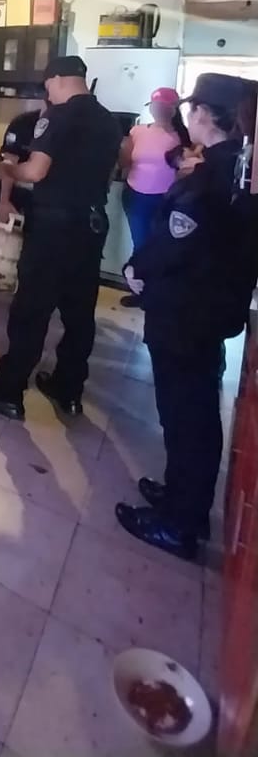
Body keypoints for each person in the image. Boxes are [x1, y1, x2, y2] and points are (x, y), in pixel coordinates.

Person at [115, 73, 257, 561]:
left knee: (185, 414)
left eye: (194, 110)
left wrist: (137, 268)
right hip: (208, 308)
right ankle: (182, 497)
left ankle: (179, 523)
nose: (189, 117)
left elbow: (178, 239)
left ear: (207, 116)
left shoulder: (212, 176)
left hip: (185, 310)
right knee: (192, 411)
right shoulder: (238, 165)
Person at [0, 56, 122, 420]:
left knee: (31, 311)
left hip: (54, 228)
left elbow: (35, 171)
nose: (48, 93)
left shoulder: (58, 115)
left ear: (57, 79)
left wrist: (7, 169)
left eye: (48, 85)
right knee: (79, 313)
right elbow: (114, 168)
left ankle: (7, 392)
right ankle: (69, 389)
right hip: (91, 226)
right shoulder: (108, 120)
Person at [119, 87, 190, 306]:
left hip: (166, 199)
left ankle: (156, 292)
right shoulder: (137, 131)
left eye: (164, 106)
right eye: (155, 106)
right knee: (141, 244)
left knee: (161, 246)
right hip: (136, 196)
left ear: (174, 109)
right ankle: (142, 291)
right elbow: (125, 161)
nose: (159, 110)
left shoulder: (182, 136)